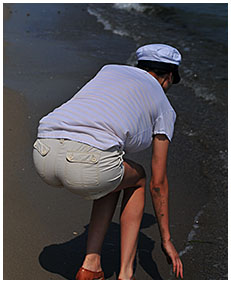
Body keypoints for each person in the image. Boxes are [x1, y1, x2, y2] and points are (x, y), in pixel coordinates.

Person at [33, 43, 184, 280]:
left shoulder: (109, 70)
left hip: (43, 151)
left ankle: (91, 266)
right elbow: (158, 182)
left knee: (115, 171)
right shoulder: (164, 105)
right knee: (139, 177)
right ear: (169, 76)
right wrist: (166, 240)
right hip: (86, 165)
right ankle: (126, 274)